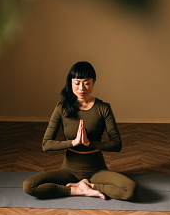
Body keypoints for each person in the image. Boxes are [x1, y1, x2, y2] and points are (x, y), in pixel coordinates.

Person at [23, 61, 136, 200]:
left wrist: (90, 143)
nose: (81, 88)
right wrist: (73, 142)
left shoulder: (103, 108)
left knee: (129, 189)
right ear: (71, 83)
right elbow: (46, 144)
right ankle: (79, 190)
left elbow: (117, 144)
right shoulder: (61, 108)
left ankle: (90, 186)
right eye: (77, 83)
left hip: (97, 170)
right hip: (68, 170)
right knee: (29, 185)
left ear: (94, 82)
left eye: (86, 83)